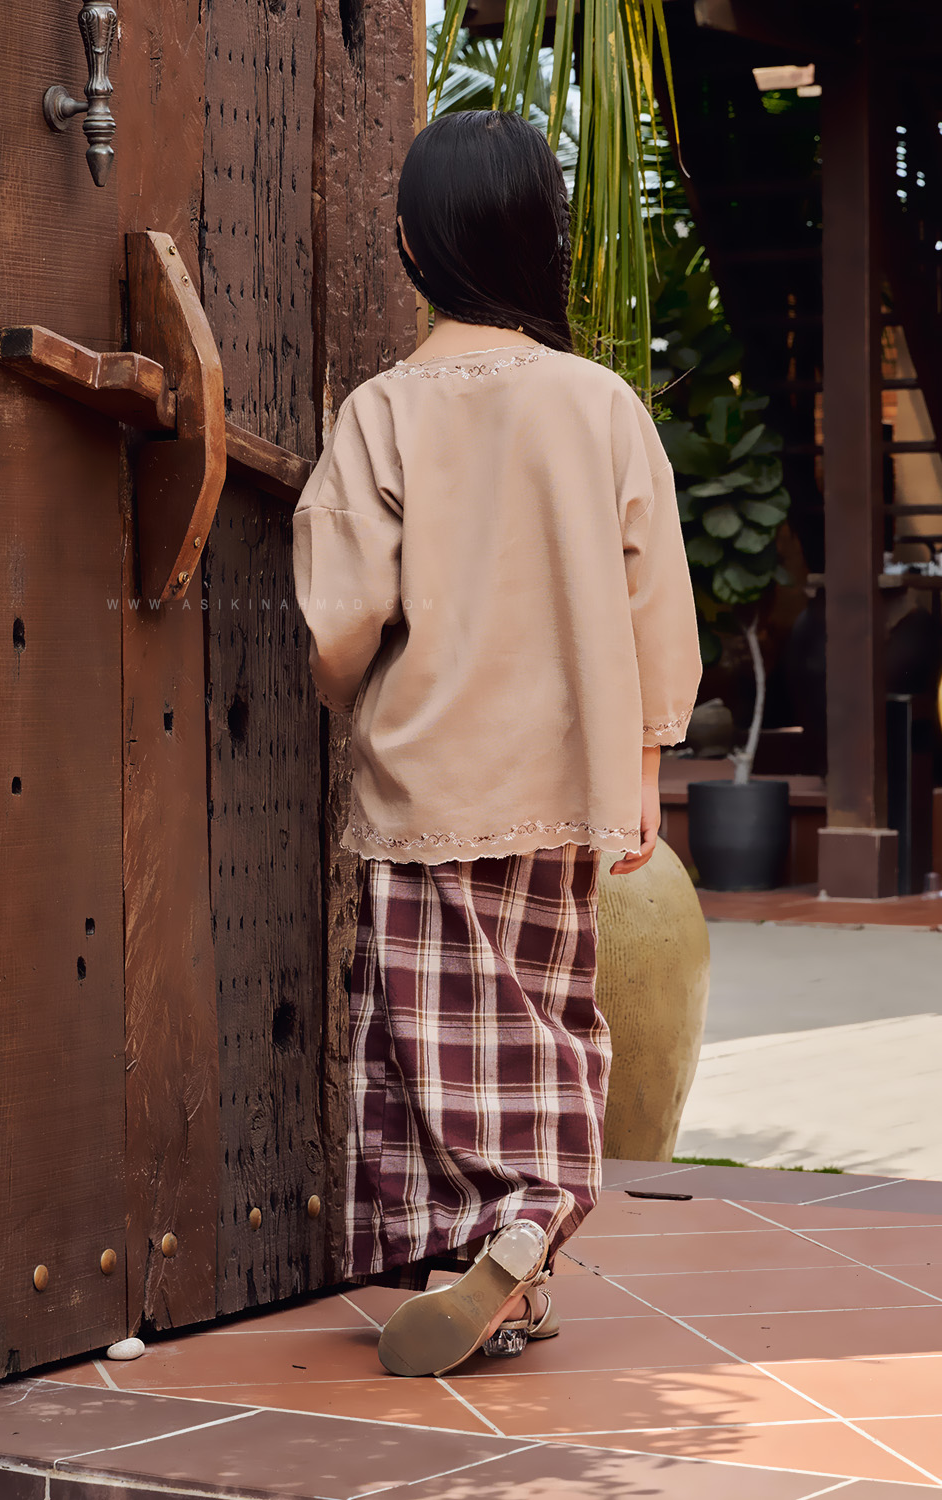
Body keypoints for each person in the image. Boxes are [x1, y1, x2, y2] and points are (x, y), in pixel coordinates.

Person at [292, 109, 702, 1378]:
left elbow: (340, 619)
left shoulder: (381, 414)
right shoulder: (602, 405)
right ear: (541, 242)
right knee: (541, 1019)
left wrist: (346, 688)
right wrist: (642, 771)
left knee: (429, 1039)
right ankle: (516, 1271)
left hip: (427, 780)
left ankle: (500, 1230)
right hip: (565, 787)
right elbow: (657, 607)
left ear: (412, 245)